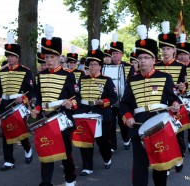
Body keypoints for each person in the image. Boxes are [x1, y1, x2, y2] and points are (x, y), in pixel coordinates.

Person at [120, 25, 182, 186]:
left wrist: (175, 105)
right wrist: (127, 117)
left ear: (154, 60)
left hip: (159, 126)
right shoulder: (132, 80)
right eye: (140, 58)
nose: (142, 61)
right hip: (138, 126)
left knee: (160, 166)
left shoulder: (165, 77)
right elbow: (125, 104)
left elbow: (174, 98)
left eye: (146, 58)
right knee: (140, 166)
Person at [30, 25, 77, 186]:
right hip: (46, 117)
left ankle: (70, 177)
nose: (48, 60)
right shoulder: (40, 75)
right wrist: (36, 109)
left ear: (58, 57)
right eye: (46, 57)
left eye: (51, 57)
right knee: (46, 148)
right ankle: (46, 182)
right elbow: (39, 97)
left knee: (65, 152)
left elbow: (76, 96)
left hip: (62, 117)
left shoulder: (68, 75)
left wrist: (71, 103)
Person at [75, 39, 117, 176]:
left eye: (95, 64)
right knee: (85, 141)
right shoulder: (82, 79)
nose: (92, 67)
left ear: (100, 66)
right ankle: (87, 167)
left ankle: (106, 157)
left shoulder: (107, 80)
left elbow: (114, 98)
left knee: (102, 141)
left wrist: (102, 102)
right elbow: (77, 96)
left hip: (102, 114)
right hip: (84, 113)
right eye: (90, 64)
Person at [0, 34, 34, 171]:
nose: (10, 58)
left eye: (12, 56)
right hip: (5, 103)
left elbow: (32, 91)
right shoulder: (2, 71)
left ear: (17, 57)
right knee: (6, 131)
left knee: (20, 130)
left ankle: (27, 148)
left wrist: (23, 98)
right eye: (8, 56)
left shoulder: (26, 71)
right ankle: (9, 160)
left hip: (19, 104)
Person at [155, 22, 188, 172]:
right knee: (162, 136)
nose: (165, 51)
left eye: (168, 48)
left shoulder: (181, 66)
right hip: (159, 105)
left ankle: (180, 156)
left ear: (174, 50)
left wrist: (182, 88)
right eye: (163, 48)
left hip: (174, 104)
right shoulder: (154, 65)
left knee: (177, 135)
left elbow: (184, 85)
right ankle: (166, 165)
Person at [108, 33, 131, 152]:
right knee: (111, 123)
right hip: (111, 100)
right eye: (113, 53)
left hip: (124, 100)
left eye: (117, 53)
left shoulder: (129, 66)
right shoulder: (106, 67)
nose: (115, 55)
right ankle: (112, 145)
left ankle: (126, 139)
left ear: (122, 54)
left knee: (123, 123)